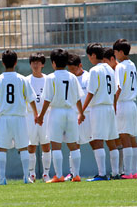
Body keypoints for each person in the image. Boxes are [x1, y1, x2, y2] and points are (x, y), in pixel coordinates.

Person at [0, 50, 38, 185]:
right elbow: (31, 99)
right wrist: (36, 114)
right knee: (23, 147)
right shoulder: (22, 79)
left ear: (3, 63)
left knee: (2, 148)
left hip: (4, 118)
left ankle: (3, 178)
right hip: (19, 117)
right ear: (16, 62)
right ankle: (26, 177)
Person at [36, 49, 84, 183]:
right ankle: (76, 175)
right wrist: (81, 112)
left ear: (53, 62)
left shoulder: (50, 77)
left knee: (56, 145)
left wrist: (41, 116)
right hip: (70, 111)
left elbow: (47, 99)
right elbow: (78, 98)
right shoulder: (72, 77)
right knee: (73, 145)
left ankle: (59, 175)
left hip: (56, 112)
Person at [81, 43, 120, 182]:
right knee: (111, 141)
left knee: (97, 140)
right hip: (109, 106)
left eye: (89, 56)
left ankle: (102, 174)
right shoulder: (110, 68)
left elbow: (91, 92)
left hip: (99, 108)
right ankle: (115, 173)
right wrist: (114, 106)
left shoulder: (94, 70)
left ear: (92, 55)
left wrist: (82, 111)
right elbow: (116, 90)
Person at [113, 39, 137, 179]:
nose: (115, 55)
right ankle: (134, 171)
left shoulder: (120, 66)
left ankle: (127, 172)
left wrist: (114, 104)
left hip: (123, 103)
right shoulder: (132, 64)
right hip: (133, 104)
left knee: (124, 137)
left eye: (116, 52)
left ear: (121, 52)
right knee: (132, 137)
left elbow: (118, 88)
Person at [65, 53, 91, 181]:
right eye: (69, 70)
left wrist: (83, 112)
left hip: (88, 115)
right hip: (73, 115)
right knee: (74, 144)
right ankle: (73, 173)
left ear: (80, 65)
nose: (71, 72)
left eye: (73, 69)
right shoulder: (70, 78)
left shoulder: (88, 77)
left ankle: (103, 172)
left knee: (95, 142)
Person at [26, 53, 51, 183]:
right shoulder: (26, 80)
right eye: (33, 63)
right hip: (30, 115)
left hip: (46, 114)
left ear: (42, 64)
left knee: (46, 144)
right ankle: (32, 174)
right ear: (30, 64)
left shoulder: (48, 79)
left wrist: (41, 114)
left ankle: (46, 174)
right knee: (31, 145)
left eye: (38, 62)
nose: (35, 65)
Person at [103, 48, 124, 175]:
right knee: (118, 138)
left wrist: (114, 104)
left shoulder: (117, 70)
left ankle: (121, 170)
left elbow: (119, 88)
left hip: (119, 106)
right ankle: (120, 170)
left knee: (120, 138)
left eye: (106, 62)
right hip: (118, 105)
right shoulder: (115, 69)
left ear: (112, 59)